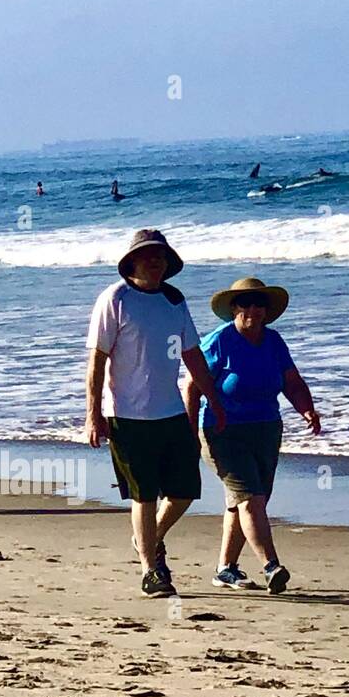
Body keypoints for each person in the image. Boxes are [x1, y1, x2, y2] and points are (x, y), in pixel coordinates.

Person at [85, 229, 227, 598]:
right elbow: (97, 360)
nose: (155, 261)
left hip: (171, 413)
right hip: (127, 416)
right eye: (148, 255)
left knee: (183, 492)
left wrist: (214, 398)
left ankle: (148, 538)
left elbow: (192, 354)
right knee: (144, 495)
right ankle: (152, 570)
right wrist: (93, 413)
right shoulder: (115, 299)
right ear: (132, 261)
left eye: (161, 256)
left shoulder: (174, 300)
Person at [185, 276, 320, 595]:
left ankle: (225, 569)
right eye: (245, 302)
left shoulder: (274, 341)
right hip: (222, 431)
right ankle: (272, 565)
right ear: (233, 308)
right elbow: (192, 387)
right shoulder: (219, 341)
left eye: (260, 303)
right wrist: (190, 434)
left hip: (266, 429)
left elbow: (292, 382)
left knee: (247, 502)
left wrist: (307, 409)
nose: (253, 309)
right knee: (250, 499)